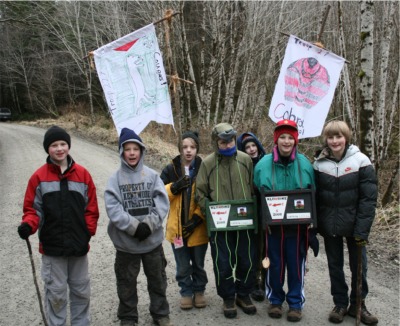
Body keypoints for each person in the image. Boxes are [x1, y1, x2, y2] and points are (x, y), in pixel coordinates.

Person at [17, 125, 100, 326]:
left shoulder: (83, 175)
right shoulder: (38, 178)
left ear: (69, 146)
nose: (59, 148)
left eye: (63, 144)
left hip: (78, 246)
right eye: (54, 145)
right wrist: (29, 225)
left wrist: (87, 231)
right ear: (48, 149)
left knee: (81, 290)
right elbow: (33, 209)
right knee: (56, 293)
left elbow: (92, 208)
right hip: (52, 248)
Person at [104, 127, 172, 326]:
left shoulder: (152, 176)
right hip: (126, 245)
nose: (132, 153)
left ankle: (160, 314)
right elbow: (113, 209)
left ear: (142, 151)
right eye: (128, 149)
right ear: (121, 152)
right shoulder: (114, 180)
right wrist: (135, 227)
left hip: (152, 243)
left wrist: (149, 225)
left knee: (158, 281)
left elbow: (161, 203)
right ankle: (128, 316)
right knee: (126, 284)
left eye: (136, 148)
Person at [313, 120, 378, 325]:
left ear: (346, 137)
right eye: (330, 137)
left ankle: (359, 305)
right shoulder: (319, 163)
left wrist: (362, 230)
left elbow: (368, 199)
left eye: (338, 136)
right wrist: (316, 223)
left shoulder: (361, 161)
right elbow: (314, 197)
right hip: (329, 224)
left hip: (355, 225)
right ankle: (340, 304)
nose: (334, 141)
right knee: (335, 265)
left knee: (360, 266)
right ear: (326, 139)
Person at [253, 119, 317, 322]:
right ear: (276, 139)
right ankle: (275, 300)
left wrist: (312, 225)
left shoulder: (305, 164)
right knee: (275, 264)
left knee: (296, 264)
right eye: (283, 137)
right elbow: (256, 191)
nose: (287, 141)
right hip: (273, 227)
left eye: (291, 137)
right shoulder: (263, 165)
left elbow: (312, 193)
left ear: (295, 140)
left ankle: (295, 303)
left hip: (297, 227)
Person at [195, 122, 257, 319]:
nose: (228, 145)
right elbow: (200, 192)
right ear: (216, 142)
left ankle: (244, 294)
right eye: (223, 142)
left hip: (244, 222)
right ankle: (228, 297)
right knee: (223, 262)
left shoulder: (246, 160)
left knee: (246, 260)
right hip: (220, 225)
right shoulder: (208, 163)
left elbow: (253, 188)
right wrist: (210, 213)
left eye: (230, 140)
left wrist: (253, 213)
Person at [161, 131, 209, 311]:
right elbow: (159, 194)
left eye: (193, 147)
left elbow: (208, 196)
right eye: (185, 147)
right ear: (180, 149)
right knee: (182, 265)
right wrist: (174, 187)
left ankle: (199, 291)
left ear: (197, 149)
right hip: (177, 229)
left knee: (198, 263)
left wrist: (197, 218)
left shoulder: (203, 168)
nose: (188, 151)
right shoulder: (171, 169)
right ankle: (186, 292)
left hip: (198, 228)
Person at [237, 132, 266, 302]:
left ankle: (265, 280)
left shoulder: (267, 162)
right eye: (247, 147)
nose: (251, 149)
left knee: (266, 249)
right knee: (253, 249)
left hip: (267, 212)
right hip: (249, 212)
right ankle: (254, 281)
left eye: (253, 145)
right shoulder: (242, 165)